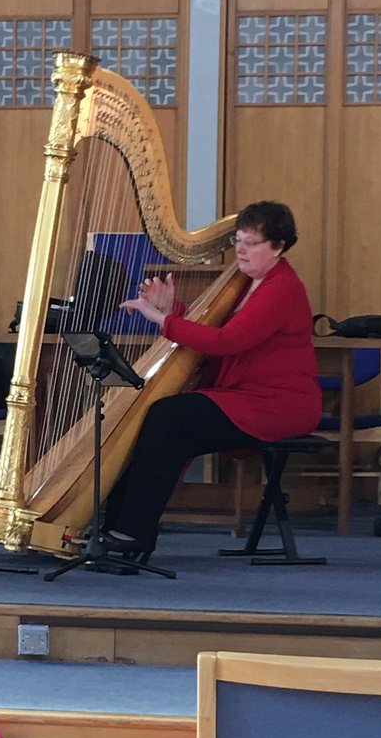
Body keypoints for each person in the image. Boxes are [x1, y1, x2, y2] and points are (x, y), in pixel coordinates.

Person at [101, 200, 322, 558]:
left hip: (279, 405)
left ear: (279, 246)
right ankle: (117, 528)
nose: (241, 249)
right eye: (238, 240)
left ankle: (131, 533)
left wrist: (161, 320)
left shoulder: (281, 288)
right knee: (164, 417)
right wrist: (172, 310)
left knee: (170, 418)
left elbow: (226, 342)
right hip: (247, 397)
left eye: (252, 243)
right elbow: (220, 331)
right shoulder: (247, 283)